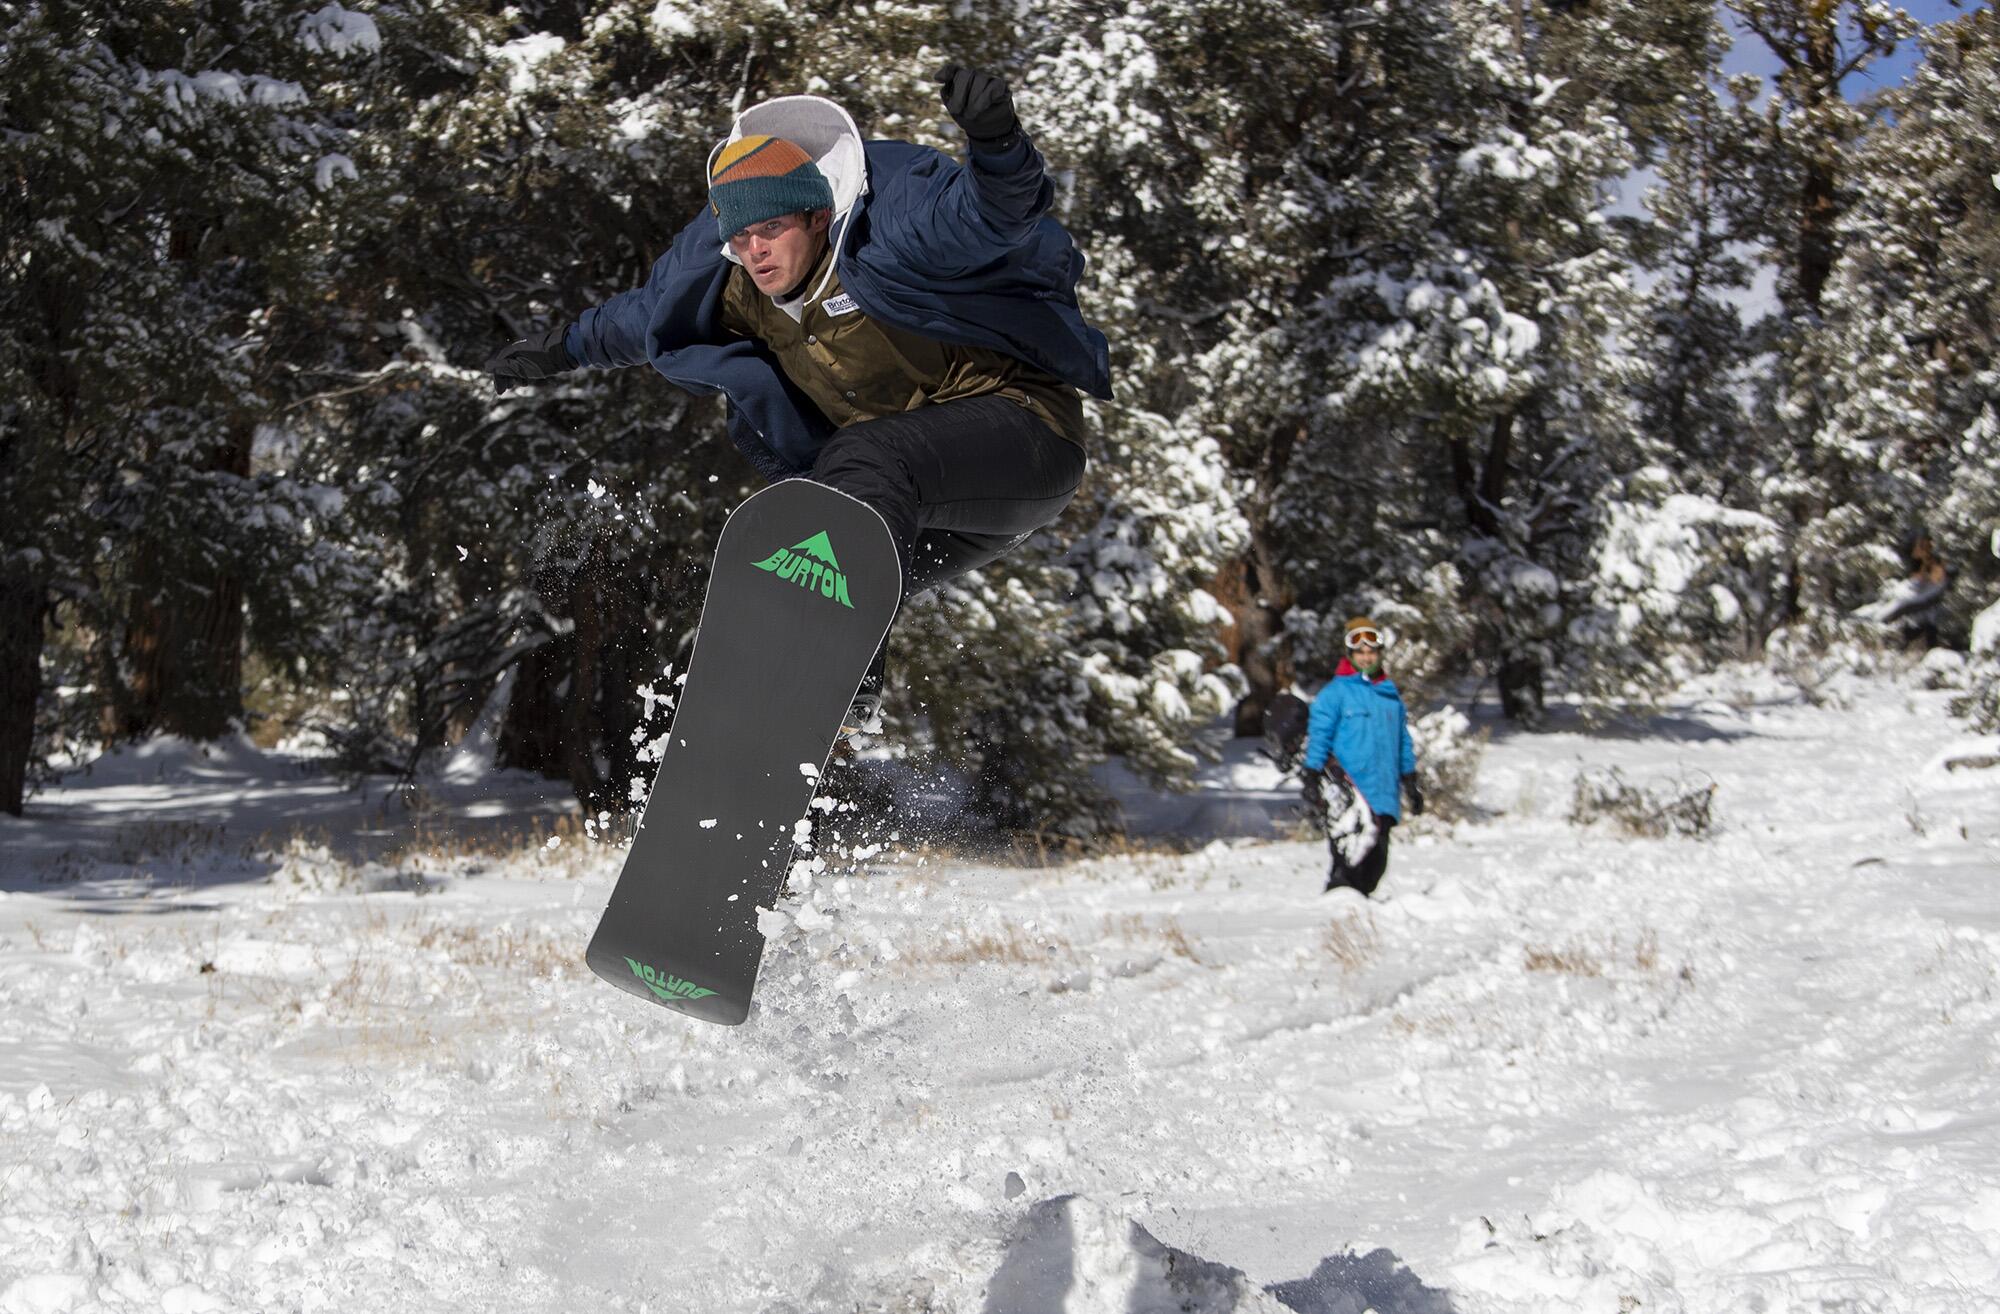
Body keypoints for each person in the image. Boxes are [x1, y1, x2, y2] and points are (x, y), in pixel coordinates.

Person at [482, 66, 1109, 735]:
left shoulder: (893, 233)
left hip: (1024, 437)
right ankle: (768, 755)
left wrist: (995, 139)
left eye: (772, 230)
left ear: (816, 215)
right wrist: (557, 349)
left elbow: (995, 214)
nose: (755, 252)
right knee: (783, 570)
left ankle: (833, 676)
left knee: (854, 467)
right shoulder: (735, 283)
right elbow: (638, 318)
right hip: (915, 506)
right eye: (741, 238)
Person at [1300, 616, 1422, 896]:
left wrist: (1410, 781)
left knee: (1375, 866)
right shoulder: (1335, 694)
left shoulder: (1389, 696)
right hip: (1349, 791)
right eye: (1360, 652)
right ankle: (1335, 913)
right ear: (1350, 655)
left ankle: (1356, 915)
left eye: (1371, 652)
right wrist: (1311, 773)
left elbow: (1402, 740)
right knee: (1347, 864)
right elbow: (1320, 736)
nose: (1366, 657)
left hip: (1384, 792)